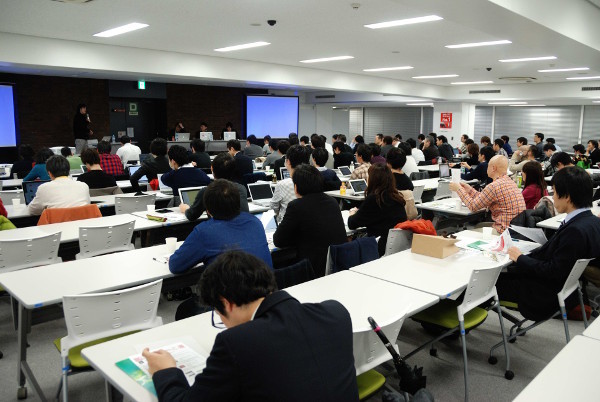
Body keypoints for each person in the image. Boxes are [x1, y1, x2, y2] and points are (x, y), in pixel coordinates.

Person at [145, 250, 358, 402]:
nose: (225, 325)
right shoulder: (335, 313)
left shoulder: (237, 343)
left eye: (220, 316)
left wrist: (166, 371)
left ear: (226, 303)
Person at [496, 167, 600, 321]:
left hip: (542, 293)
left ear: (568, 197)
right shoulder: (592, 221)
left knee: (483, 286)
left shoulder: (575, 231)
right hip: (563, 289)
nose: (553, 197)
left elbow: (552, 271)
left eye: (555, 192)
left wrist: (520, 258)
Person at [169, 179, 272, 274]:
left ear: (208, 211)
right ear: (238, 202)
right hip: (267, 290)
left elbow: (175, 266)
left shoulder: (204, 232)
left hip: (230, 293)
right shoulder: (255, 222)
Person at [274, 165, 348, 277]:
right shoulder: (332, 201)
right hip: (337, 264)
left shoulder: (297, 206)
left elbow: (278, 240)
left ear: (296, 187)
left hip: (312, 269)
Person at [449, 155, 525, 234]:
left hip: (503, 231)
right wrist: (470, 190)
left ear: (493, 168)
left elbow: (473, 206)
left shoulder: (493, 186)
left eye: (488, 166)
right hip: (515, 229)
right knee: (479, 225)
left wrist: (459, 189)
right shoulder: (510, 182)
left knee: (467, 234)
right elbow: (484, 198)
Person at [348, 163, 407, 256]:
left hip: (378, 247)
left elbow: (352, 224)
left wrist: (352, 213)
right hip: (398, 247)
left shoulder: (374, 199)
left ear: (373, 180)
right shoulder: (397, 198)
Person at [180, 153, 249, 221]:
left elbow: (191, 215)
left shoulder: (208, 191)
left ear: (211, 168)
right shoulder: (241, 188)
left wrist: (186, 209)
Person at [271, 145, 311, 224]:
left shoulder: (283, 184)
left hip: (286, 225)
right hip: (309, 224)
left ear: (288, 161)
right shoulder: (314, 181)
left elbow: (274, 207)